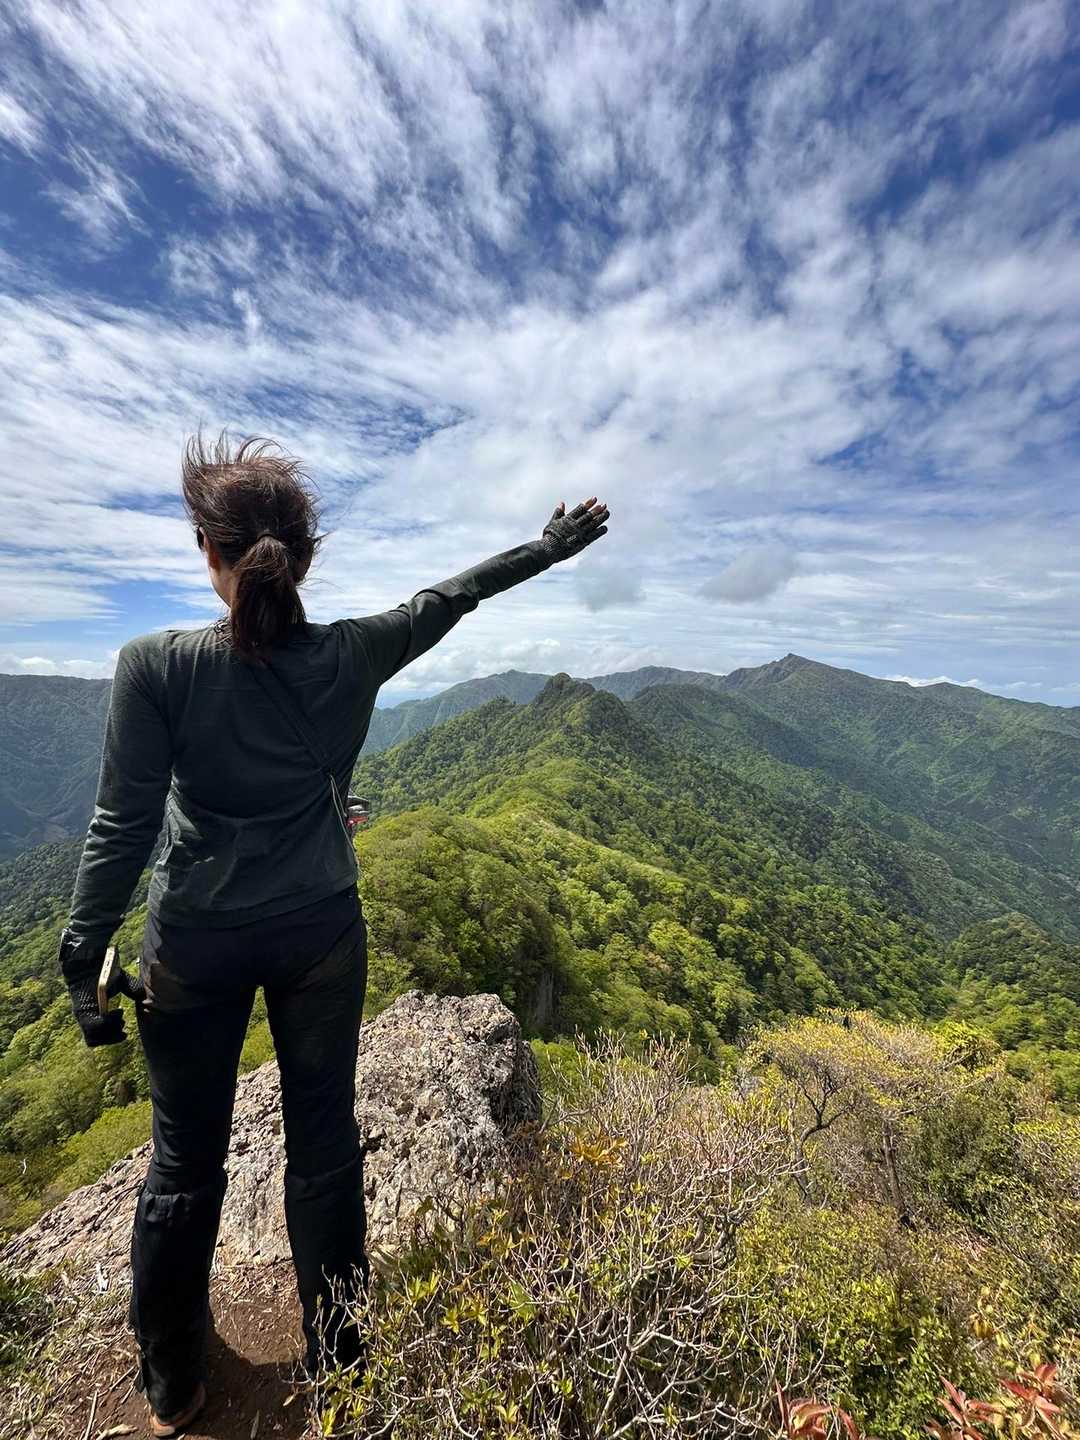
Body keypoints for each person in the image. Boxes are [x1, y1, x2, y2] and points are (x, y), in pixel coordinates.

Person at [55, 429, 611, 1437]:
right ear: (305, 558)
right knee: (323, 1150)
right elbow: (452, 596)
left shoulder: (156, 668)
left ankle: (173, 1383)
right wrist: (549, 548)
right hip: (320, 933)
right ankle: (343, 1356)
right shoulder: (354, 654)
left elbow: (122, 826)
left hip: (194, 945)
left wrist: (79, 956)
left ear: (208, 553)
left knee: (183, 1164)